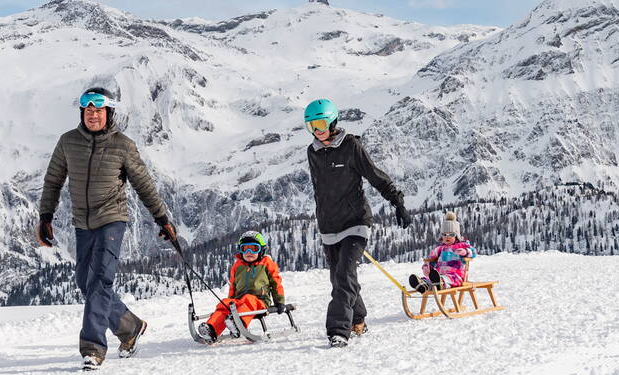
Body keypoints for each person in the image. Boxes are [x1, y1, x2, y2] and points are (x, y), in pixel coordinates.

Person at [36, 87, 178, 370]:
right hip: (82, 223)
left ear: (108, 113)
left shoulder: (122, 145)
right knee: (84, 284)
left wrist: (162, 219)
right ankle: (129, 327)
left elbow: (144, 184)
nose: (92, 114)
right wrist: (45, 216)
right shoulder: (68, 142)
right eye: (88, 110)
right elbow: (53, 181)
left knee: (100, 281)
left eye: (98, 110)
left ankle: (92, 348)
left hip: (112, 219)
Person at [304, 99, 411, 348]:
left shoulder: (351, 146)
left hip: (355, 222)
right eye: (311, 126)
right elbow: (321, 191)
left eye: (320, 124)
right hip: (329, 227)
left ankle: (338, 330)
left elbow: (375, 175)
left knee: (344, 276)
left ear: (332, 121)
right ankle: (358, 319)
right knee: (340, 277)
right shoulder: (313, 151)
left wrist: (398, 202)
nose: (317, 131)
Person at [197, 231, 285, 343]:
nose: (249, 252)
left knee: (249, 299)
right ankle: (212, 329)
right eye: (245, 249)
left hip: (260, 301)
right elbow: (233, 286)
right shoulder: (237, 266)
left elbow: (276, 282)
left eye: (253, 249)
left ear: (261, 250)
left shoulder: (266, 263)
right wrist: (230, 302)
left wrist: (279, 301)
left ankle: (238, 325)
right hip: (239, 301)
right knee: (224, 303)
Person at [409, 212, 476, 292]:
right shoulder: (440, 249)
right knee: (430, 279)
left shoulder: (461, 245)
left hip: (456, 275)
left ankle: (439, 284)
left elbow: (473, 252)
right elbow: (432, 260)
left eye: (451, 235)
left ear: (457, 235)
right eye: (444, 234)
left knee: (446, 279)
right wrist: (427, 267)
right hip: (438, 275)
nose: (447, 237)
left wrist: (465, 252)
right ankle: (423, 285)